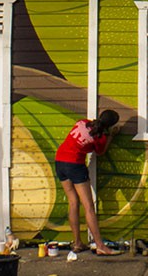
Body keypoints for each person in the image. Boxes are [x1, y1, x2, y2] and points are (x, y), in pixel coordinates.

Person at [54, 109, 122, 256]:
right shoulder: (100, 138)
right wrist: (111, 136)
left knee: (73, 202)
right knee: (89, 207)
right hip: (75, 165)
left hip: (60, 161)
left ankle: (77, 242)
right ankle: (100, 246)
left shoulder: (82, 122)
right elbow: (100, 152)